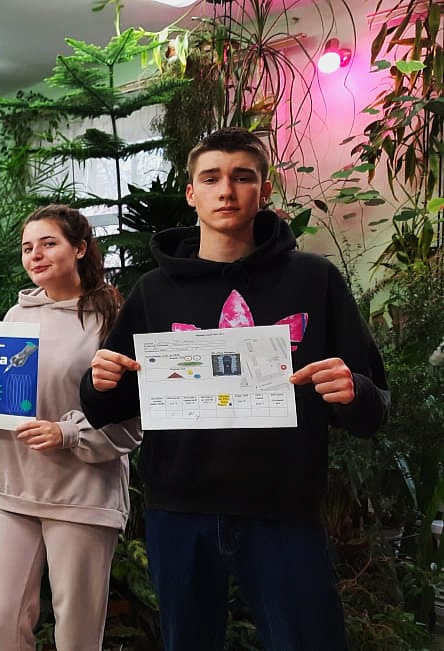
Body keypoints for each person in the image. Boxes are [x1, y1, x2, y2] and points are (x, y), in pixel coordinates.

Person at [79, 127, 390, 650]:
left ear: (264, 190)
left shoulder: (314, 279)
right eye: (211, 178)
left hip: (284, 513)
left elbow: (373, 407)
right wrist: (99, 380)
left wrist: (353, 389)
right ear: (191, 193)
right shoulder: (154, 291)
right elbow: (107, 405)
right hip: (180, 513)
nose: (226, 190)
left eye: (242, 177)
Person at [0, 205, 142, 650]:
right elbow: (9, 400)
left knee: (76, 633)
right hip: (13, 489)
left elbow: (134, 422)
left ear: (79, 248)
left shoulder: (112, 317)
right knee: (3, 624)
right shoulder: (15, 317)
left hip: (82, 494)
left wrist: (67, 433)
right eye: (27, 248)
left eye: (48, 244)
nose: (35, 255)